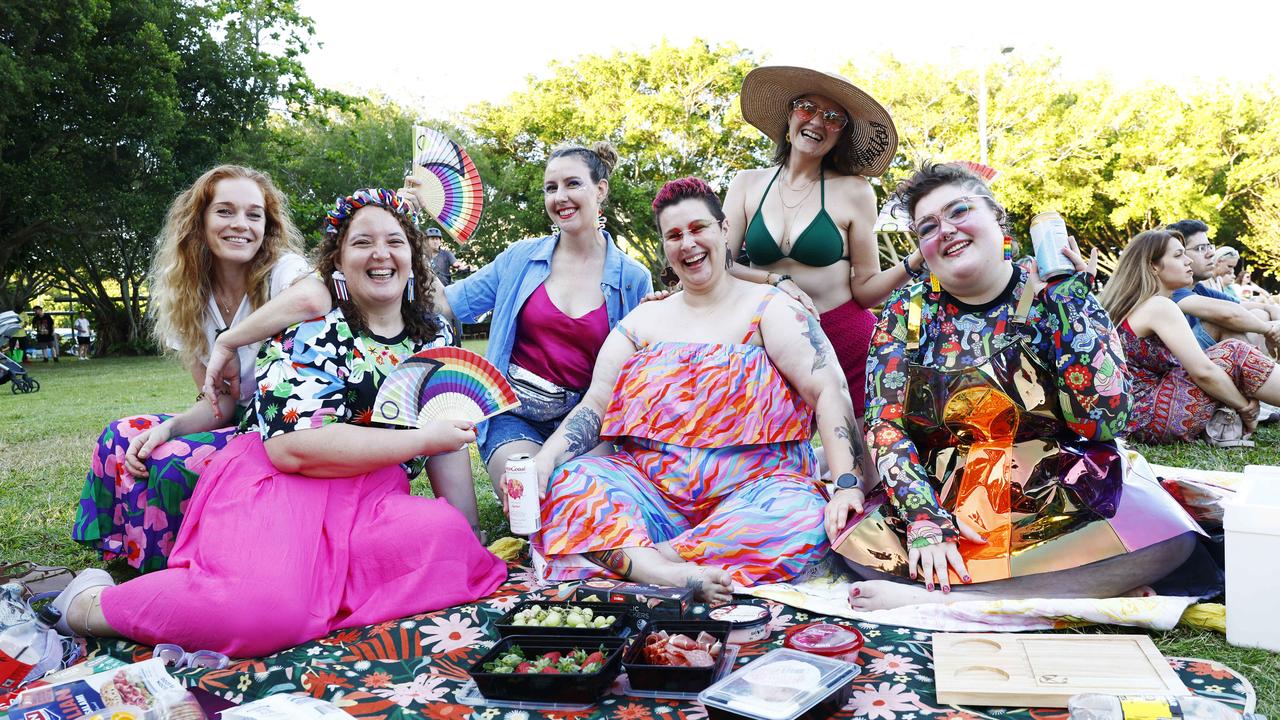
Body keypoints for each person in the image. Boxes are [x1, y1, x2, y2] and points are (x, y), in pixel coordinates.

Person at [50, 189, 506, 658]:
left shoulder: (437, 334)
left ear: (413, 254)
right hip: (284, 481)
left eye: (395, 241)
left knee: (449, 544)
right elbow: (293, 448)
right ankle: (91, 603)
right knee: (260, 613)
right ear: (338, 261)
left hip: (374, 496)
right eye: (362, 242)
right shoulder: (312, 326)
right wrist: (422, 440)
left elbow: (446, 439)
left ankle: (319, 594)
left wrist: (469, 531)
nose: (380, 254)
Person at [830, 163, 1199, 609]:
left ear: (997, 219)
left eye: (959, 211)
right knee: (857, 547)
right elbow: (884, 424)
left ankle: (944, 600)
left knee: (1171, 538)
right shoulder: (904, 314)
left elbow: (1102, 421)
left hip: (1061, 485)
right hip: (948, 492)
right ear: (923, 250)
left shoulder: (1054, 294)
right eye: (928, 227)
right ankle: (1056, 591)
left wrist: (1073, 302)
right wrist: (924, 519)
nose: (945, 230)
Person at [203, 142, 653, 500]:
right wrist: (410, 240)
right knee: (535, 496)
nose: (560, 197)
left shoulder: (632, 279)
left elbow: (634, 367)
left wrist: (668, 313)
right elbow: (443, 302)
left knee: (590, 494)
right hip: (517, 417)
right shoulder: (520, 259)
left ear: (601, 189)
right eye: (550, 188)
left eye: (572, 184)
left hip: (584, 418)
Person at [529, 177, 871, 604]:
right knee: (570, 482)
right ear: (665, 248)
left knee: (802, 517)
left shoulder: (769, 308)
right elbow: (595, 405)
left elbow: (828, 390)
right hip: (651, 495)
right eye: (674, 235)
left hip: (755, 496)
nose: (687, 243)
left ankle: (647, 563)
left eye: (698, 228)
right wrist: (545, 461)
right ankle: (672, 572)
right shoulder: (642, 322)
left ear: (724, 230)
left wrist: (845, 484)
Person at [72, 165, 311, 572]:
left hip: (284, 428)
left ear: (267, 226)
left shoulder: (282, 272)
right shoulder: (190, 296)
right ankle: (125, 558)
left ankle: (174, 569)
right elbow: (218, 405)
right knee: (120, 437)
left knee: (174, 461)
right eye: (225, 211)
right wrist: (168, 427)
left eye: (254, 214)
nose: (241, 225)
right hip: (238, 420)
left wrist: (230, 339)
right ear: (199, 221)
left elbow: (315, 298)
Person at [724, 66, 910, 417]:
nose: (817, 121)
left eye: (833, 117)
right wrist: (775, 281)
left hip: (845, 339)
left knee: (862, 467)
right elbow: (720, 264)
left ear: (841, 135)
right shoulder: (746, 184)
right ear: (789, 115)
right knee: (764, 458)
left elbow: (867, 289)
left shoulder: (855, 191)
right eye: (806, 107)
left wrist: (913, 262)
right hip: (766, 341)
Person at [1099, 229, 1280, 444]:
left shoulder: (1139, 304)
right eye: (1178, 255)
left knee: (1228, 352)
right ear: (1152, 266)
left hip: (1135, 416)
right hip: (1150, 416)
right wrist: (1245, 407)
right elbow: (1203, 372)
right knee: (1234, 352)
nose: (1188, 261)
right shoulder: (1158, 306)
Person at [1165, 219, 1280, 352]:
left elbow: (1239, 307)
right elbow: (1229, 314)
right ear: (1180, 254)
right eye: (1201, 248)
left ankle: (1262, 366)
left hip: (1198, 358)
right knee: (1220, 323)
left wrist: (1271, 309)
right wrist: (1270, 330)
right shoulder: (1172, 291)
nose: (1211, 254)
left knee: (1259, 314)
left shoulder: (1199, 289)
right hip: (1179, 365)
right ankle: (1261, 367)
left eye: (1209, 247)